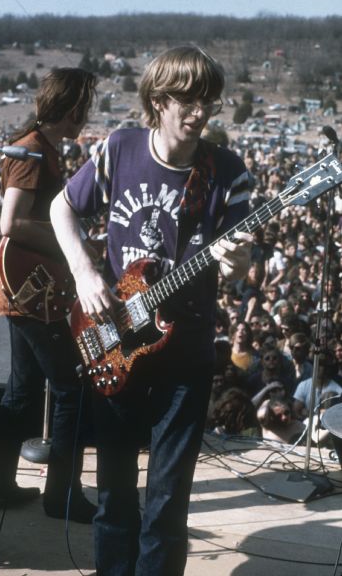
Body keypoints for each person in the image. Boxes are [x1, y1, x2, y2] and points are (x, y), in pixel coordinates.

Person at [50, 46, 252, 576]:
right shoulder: (121, 149)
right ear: (158, 101)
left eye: (207, 99)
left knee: (167, 499)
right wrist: (85, 272)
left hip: (185, 355)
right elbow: (62, 207)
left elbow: (238, 262)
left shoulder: (227, 170)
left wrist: (237, 262)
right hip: (115, 338)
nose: (200, 111)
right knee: (114, 490)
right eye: (187, 99)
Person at [0, 68, 97, 523]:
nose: (84, 120)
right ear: (70, 110)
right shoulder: (30, 151)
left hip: (25, 289)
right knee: (72, 389)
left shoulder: (40, 147)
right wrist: (71, 244)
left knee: (22, 391)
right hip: (32, 292)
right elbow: (11, 223)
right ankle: (61, 496)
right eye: (83, 111)